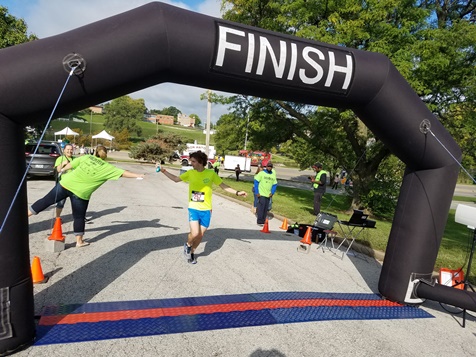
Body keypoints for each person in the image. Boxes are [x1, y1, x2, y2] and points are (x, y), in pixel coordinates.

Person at [28, 145, 145, 248]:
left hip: (65, 184)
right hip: (81, 193)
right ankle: (79, 241)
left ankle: (24, 216)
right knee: (79, 217)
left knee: (45, 201)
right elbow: (124, 173)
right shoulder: (108, 167)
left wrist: (62, 169)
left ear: (95, 152)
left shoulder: (86, 157)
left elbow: (70, 165)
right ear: (105, 155)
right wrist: (139, 175)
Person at [157, 151, 247, 264]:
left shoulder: (211, 174)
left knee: (200, 235)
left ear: (200, 162)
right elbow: (176, 179)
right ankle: (188, 245)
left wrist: (238, 193)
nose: (191, 164)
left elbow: (223, 186)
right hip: (194, 207)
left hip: (206, 209)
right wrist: (163, 170)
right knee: (194, 233)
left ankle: (192, 253)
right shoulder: (190, 173)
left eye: (193, 161)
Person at [54, 143, 75, 218]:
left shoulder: (75, 159)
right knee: (61, 203)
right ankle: (57, 217)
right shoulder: (60, 158)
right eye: (68, 149)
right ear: (64, 151)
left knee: (76, 203)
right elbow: (58, 170)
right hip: (64, 185)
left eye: (71, 149)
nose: (70, 151)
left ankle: (79, 217)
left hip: (74, 185)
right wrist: (63, 163)